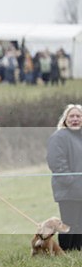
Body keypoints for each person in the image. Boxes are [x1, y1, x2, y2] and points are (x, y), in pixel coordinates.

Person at [47, 104, 82, 251]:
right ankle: (65, 253)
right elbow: (56, 162)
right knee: (69, 223)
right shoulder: (59, 136)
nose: (75, 119)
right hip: (68, 190)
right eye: (71, 116)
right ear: (65, 119)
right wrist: (71, 182)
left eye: (78, 116)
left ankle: (78, 253)